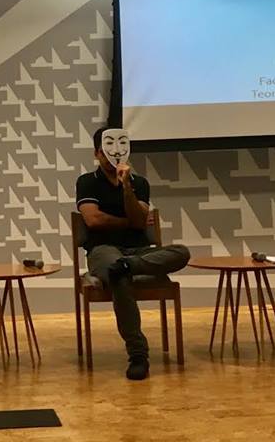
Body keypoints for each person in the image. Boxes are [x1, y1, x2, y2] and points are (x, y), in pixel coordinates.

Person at [75, 126, 191, 380]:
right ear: (97, 153)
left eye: (121, 147)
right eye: (106, 149)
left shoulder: (139, 183)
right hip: (103, 250)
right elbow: (93, 220)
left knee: (181, 252)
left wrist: (126, 186)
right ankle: (138, 354)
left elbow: (140, 221)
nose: (114, 154)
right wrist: (129, 222)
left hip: (140, 251)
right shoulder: (87, 182)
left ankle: (130, 264)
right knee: (118, 273)